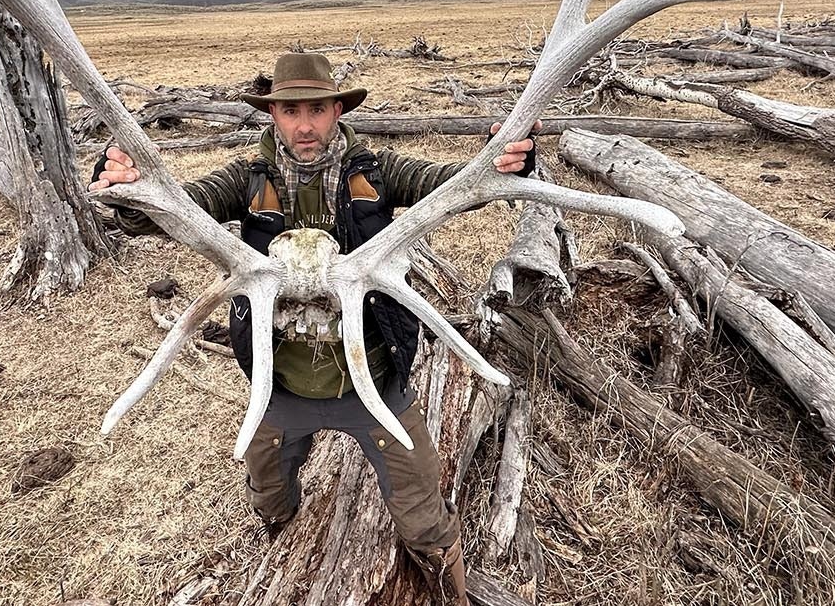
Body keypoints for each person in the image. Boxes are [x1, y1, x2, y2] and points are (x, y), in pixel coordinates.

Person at [89, 51, 536, 605]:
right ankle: (285, 542)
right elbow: (176, 210)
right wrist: (126, 189)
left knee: (424, 516)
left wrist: (508, 163)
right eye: (291, 111)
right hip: (279, 388)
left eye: (318, 109)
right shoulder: (248, 181)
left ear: (336, 110)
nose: (305, 125)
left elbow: (449, 185)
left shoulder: (377, 173)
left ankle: (451, 588)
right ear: (272, 116)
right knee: (268, 492)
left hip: (372, 384)